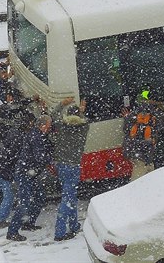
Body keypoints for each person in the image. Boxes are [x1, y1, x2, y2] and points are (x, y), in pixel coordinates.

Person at [6, 114, 53, 241]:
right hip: (25, 173)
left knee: (40, 196)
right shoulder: (36, 137)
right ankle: (12, 231)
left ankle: (29, 222)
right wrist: (52, 158)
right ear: (42, 125)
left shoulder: (37, 134)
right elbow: (40, 157)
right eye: (48, 126)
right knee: (24, 203)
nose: (49, 129)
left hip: (30, 172)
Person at [50, 97, 89, 241]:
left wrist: (62, 104)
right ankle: (59, 233)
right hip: (73, 167)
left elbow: (52, 116)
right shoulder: (83, 128)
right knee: (68, 198)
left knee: (71, 197)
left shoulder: (61, 126)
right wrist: (82, 111)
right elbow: (84, 120)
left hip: (61, 166)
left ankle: (73, 225)